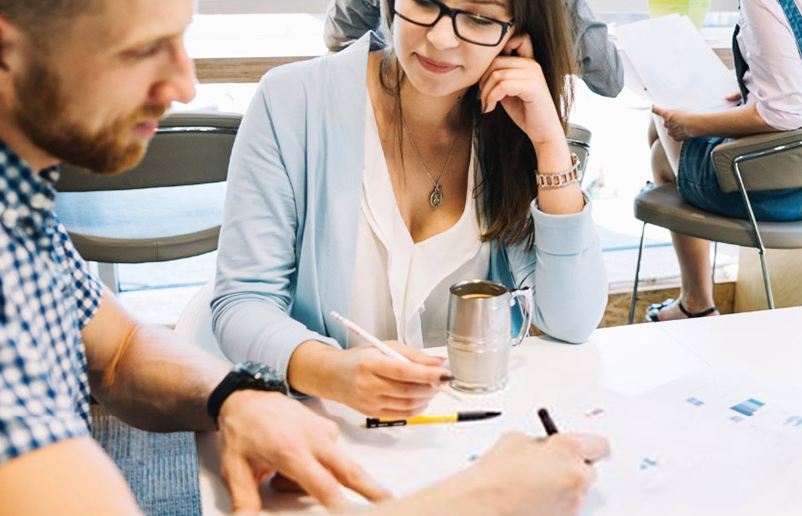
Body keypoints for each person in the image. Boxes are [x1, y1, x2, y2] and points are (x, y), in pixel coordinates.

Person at [0, 1, 610, 516]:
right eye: (142, 50)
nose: (187, 86)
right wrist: (484, 509)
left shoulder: (12, 208)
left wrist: (232, 398)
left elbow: (117, 349)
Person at [212, 0, 608, 420]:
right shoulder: (293, 100)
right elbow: (243, 302)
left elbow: (572, 320)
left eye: (477, 17)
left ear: (515, 34)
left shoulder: (509, 127)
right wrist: (332, 372)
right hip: (329, 427)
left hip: (471, 424)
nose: (439, 38)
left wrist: (549, 145)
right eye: (423, 1)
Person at [645, 0, 802, 322]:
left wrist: (693, 124)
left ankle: (696, 303)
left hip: (760, 198)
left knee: (661, 128)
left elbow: (784, 114)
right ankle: (693, 303)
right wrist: (755, 92)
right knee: (670, 137)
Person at [324, 0, 624, 97]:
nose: (441, 39)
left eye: (479, 18)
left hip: (502, 142)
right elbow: (341, 43)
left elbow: (611, 80)